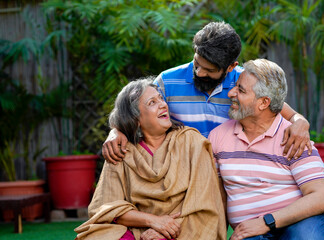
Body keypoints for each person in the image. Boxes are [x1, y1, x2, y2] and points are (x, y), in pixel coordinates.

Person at [102, 22, 312, 164]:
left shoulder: (244, 84)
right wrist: (116, 132)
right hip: (180, 170)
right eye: (197, 63)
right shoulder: (167, 81)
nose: (199, 72)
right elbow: (136, 112)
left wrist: (301, 122)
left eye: (209, 70)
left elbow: (283, 111)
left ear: (230, 67)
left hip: (228, 173)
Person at [208, 58, 324, 240]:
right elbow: (219, 195)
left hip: (299, 222)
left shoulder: (293, 137)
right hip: (250, 231)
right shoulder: (218, 137)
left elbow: (322, 197)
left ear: (264, 103)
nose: (231, 92)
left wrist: (266, 221)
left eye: (240, 90)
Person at [75, 78, 227, 240]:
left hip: (184, 227)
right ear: (135, 118)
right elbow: (106, 208)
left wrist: (164, 229)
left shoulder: (192, 142)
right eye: (152, 102)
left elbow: (205, 203)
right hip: (135, 228)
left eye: (161, 98)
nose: (163, 104)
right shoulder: (120, 151)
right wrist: (153, 221)